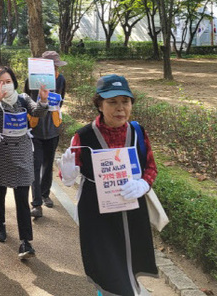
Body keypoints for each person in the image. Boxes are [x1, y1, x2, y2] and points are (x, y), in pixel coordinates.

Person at [59, 74, 158, 296]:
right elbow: (67, 177)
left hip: (132, 211)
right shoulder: (83, 136)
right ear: (99, 105)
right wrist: (67, 172)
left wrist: (144, 183)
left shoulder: (138, 132)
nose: (120, 108)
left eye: (125, 101)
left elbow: (151, 168)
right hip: (97, 214)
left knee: (131, 263)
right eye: (112, 102)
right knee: (106, 269)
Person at [0, 66, 49, 260]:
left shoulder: (23, 98)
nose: (5, 85)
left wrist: (43, 100)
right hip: (0, 152)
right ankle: (0, 224)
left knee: (21, 197)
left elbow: (38, 112)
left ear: (14, 83)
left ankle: (26, 241)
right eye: (1, 81)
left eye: (8, 81)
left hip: (22, 152)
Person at [24, 51, 66, 218]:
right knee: (35, 164)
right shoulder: (31, 80)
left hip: (53, 129)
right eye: (52, 66)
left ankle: (45, 193)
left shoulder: (61, 80)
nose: (55, 69)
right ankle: (36, 204)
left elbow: (61, 100)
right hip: (35, 129)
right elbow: (26, 99)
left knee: (48, 165)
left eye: (56, 66)